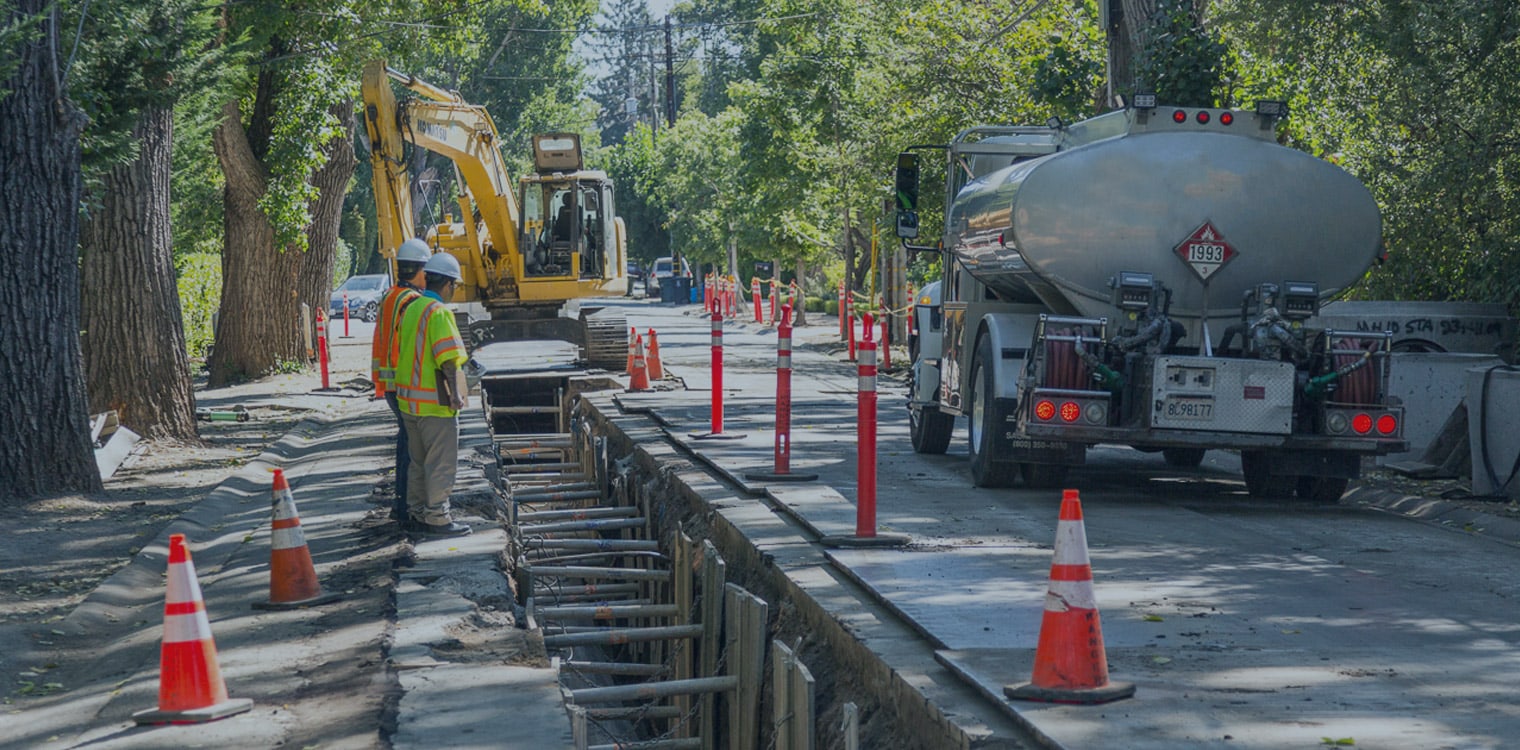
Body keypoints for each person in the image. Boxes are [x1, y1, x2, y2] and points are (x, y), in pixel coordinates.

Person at [393, 252, 472, 536]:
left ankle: (416, 513)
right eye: (455, 287)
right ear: (448, 284)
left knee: (418, 462)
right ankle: (437, 517)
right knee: (440, 463)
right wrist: (455, 395)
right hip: (434, 405)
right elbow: (447, 358)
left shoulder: (412, 307)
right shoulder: (439, 312)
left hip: (409, 403)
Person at [372, 238, 432, 526]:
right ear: (420, 270)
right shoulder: (412, 302)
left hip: (390, 384)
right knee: (413, 448)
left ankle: (402, 506)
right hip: (403, 385)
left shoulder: (390, 296)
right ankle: (408, 510)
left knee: (406, 444)